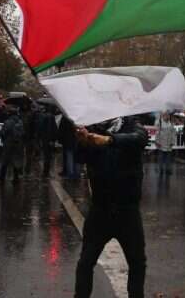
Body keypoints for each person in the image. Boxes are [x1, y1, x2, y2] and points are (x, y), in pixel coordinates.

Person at [74, 116, 149, 298]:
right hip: (100, 209)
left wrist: (110, 140)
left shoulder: (132, 125)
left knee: (137, 262)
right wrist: (83, 142)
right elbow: (79, 158)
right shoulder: (91, 129)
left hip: (128, 210)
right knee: (86, 262)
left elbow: (140, 138)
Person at [0, 105, 24, 182]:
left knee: (5, 160)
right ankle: (16, 178)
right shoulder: (20, 122)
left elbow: (3, 133)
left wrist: (4, 140)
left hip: (8, 143)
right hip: (18, 143)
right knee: (16, 160)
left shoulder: (7, 122)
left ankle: (2, 176)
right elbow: (23, 133)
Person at [37, 105, 59, 177]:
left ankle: (45, 172)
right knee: (48, 156)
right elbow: (54, 129)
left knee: (47, 156)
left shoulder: (44, 117)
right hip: (49, 139)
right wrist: (53, 139)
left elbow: (41, 128)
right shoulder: (51, 117)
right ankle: (46, 172)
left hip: (45, 139)